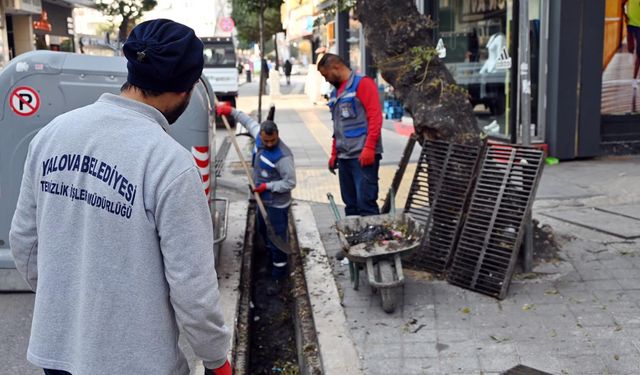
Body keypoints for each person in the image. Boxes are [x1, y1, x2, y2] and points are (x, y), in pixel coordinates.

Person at [10, 19, 231, 375]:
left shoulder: (52, 135)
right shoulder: (170, 164)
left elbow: (24, 242)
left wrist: (67, 303)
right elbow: (193, 290)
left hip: (57, 351)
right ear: (186, 89)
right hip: (137, 363)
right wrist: (216, 358)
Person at [216, 103, 296, 295]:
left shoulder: (283, 157)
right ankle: (268, 261)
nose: (269, 144)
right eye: (266, 140)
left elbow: (290, 182)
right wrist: (230, 112)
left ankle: (278, 275)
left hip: (277, 204)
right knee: (263, 230)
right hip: (261, 200)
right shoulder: (258, 133)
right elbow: (246, 119)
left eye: (272, 141)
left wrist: (267, 187)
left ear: (277, 136)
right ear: (260, 135)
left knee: (277, 236)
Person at [317, 53, 383, 217]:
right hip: (345, 157)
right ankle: (355, 241)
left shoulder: (363, 84)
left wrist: (369, 147)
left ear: (336, 68)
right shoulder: (335, 94)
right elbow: (338, 126)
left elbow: (375, 118)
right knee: (351, 205)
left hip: (363, 157)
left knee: (365, 203)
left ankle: (371, 240)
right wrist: (334, 154)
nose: (326, 80)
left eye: (326, 75)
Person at [624, 0, 640, 87]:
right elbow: (623, 3)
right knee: (630, 44)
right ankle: (630, 52)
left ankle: (634, 79)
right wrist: (625, 15)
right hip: (631, 23)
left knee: (639, 54)